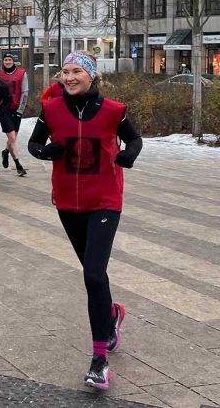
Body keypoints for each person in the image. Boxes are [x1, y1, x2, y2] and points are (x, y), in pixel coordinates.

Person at [28, 51, 142, 391]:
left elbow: (135, 139)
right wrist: (45, 152)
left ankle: (99, 361)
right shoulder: (51, 109)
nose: (69, 77)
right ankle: (111, 315)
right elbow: (34, 143)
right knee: (96, 275)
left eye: (77, 71)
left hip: (105, 200)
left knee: (92, 275)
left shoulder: (113, 111)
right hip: (68, 202)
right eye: (65, 71)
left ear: (92, 76)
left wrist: (129, 155)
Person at [0, 53, 28, 177]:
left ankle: (5, 152)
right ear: (3, 61)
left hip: (16, 109)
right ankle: (18, 165)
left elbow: (25, 92)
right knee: (12, 138)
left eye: (10, 59)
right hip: (4, 109)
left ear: (13, 61)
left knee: (12, 138)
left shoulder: (21, 73)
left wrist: (21, 110)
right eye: (5, 59)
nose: (8, 62)